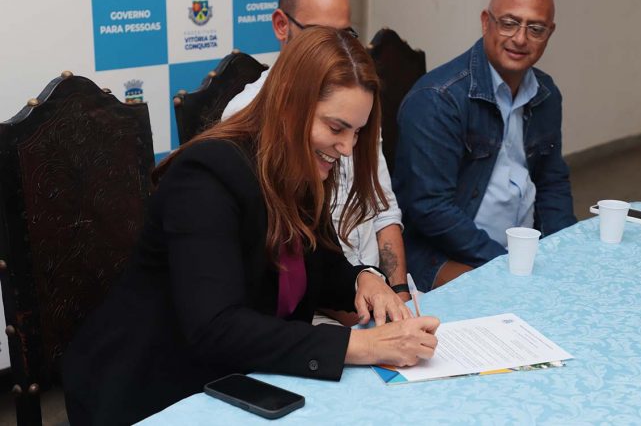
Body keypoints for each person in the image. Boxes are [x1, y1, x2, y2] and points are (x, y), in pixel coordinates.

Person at [62, 27, 439, 426]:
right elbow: (217, 327)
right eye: (335, 128)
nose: (347, 148)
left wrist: (365, 279)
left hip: (239, 379)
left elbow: (318, 266)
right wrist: (362, 345)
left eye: (357, 132)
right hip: (150, 390)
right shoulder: (205, 177)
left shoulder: (298, 167)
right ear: (289, 105)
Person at [224, 0, 410, 306]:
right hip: (319, 305)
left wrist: (398, 295)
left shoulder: (355, 101)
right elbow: (285, 263)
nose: (347, 147)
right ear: (282, 25)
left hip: (365, 289)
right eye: (319, 34)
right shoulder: (249, 118)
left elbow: (383, 208)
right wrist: (358, 313)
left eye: (345, 35)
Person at [393, 0, 577, 292]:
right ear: (485, 22)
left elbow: (552, 183)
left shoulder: (546, 94)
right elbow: (431, 208)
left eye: (535, 28)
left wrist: (565, 249)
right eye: (509, 23)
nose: (520, 38)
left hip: (521, 250)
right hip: (444, 253)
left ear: (550, 33)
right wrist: (505, 263)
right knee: (514, 298)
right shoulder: (438, 98)